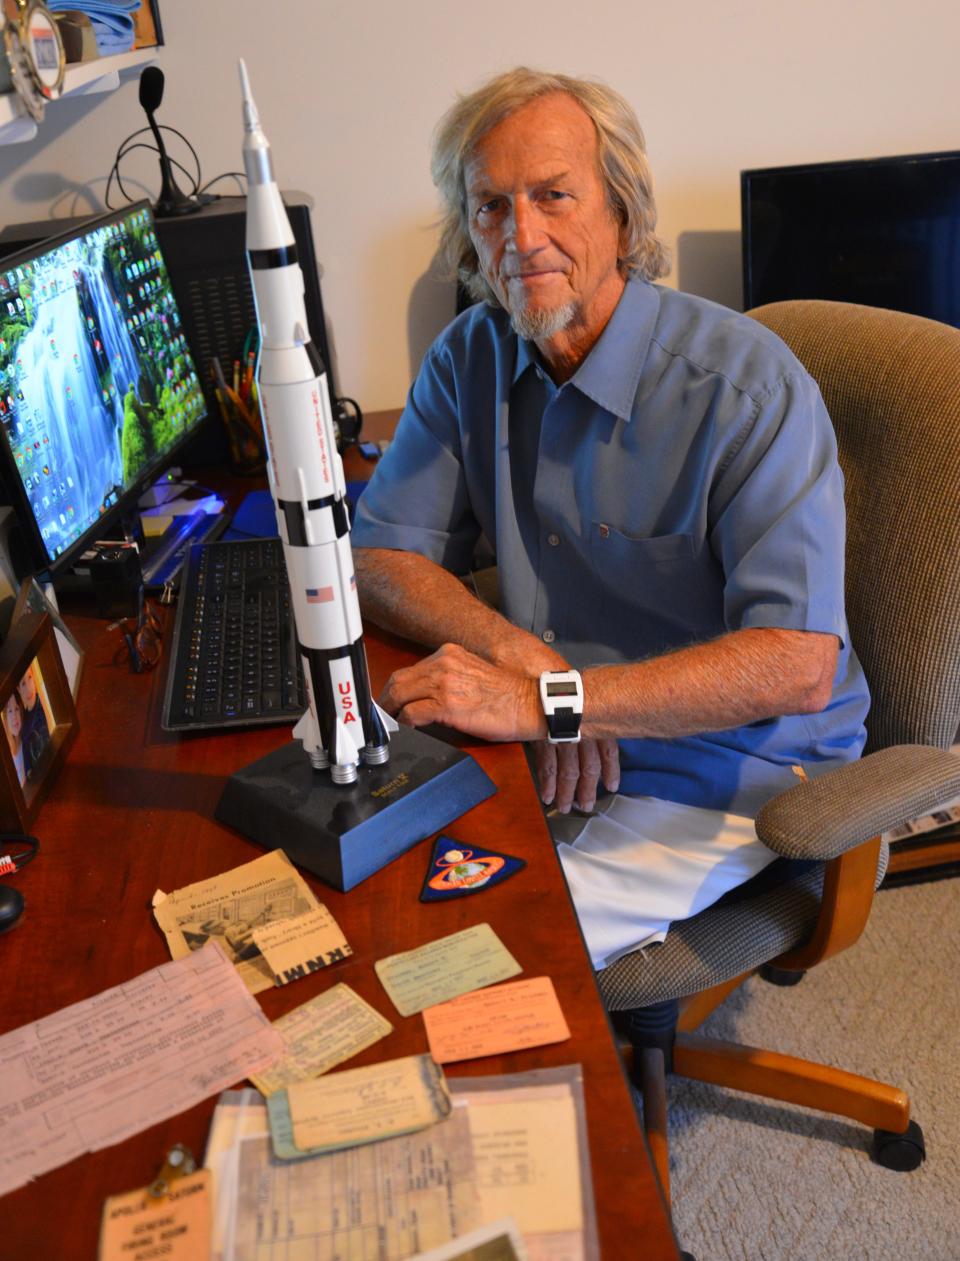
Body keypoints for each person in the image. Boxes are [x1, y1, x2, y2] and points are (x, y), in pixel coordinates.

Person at [351, 67, 870, 970]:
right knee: (353, 875)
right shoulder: (469, 354)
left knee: (461, 966)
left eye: (555, 196)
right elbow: (382, 555)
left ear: (622, 213)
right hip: (545, 741)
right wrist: (530, 665)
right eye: (490, 206)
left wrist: (559, 703)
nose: (523, 235)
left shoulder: (747, 390)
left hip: (724, 779)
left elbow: (797, 665)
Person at [18, 662, 50, 779]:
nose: (28, 688)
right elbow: (28, 771)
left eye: (30, 677)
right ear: (19, 689)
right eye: (23, 683)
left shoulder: (45, 705)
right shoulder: (24, 727)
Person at [3, 692, 26, 787]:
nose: (14, 717)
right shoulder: (5, 755)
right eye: (9, 711)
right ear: (5, 717)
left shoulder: (26, 739)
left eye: (16, 709)